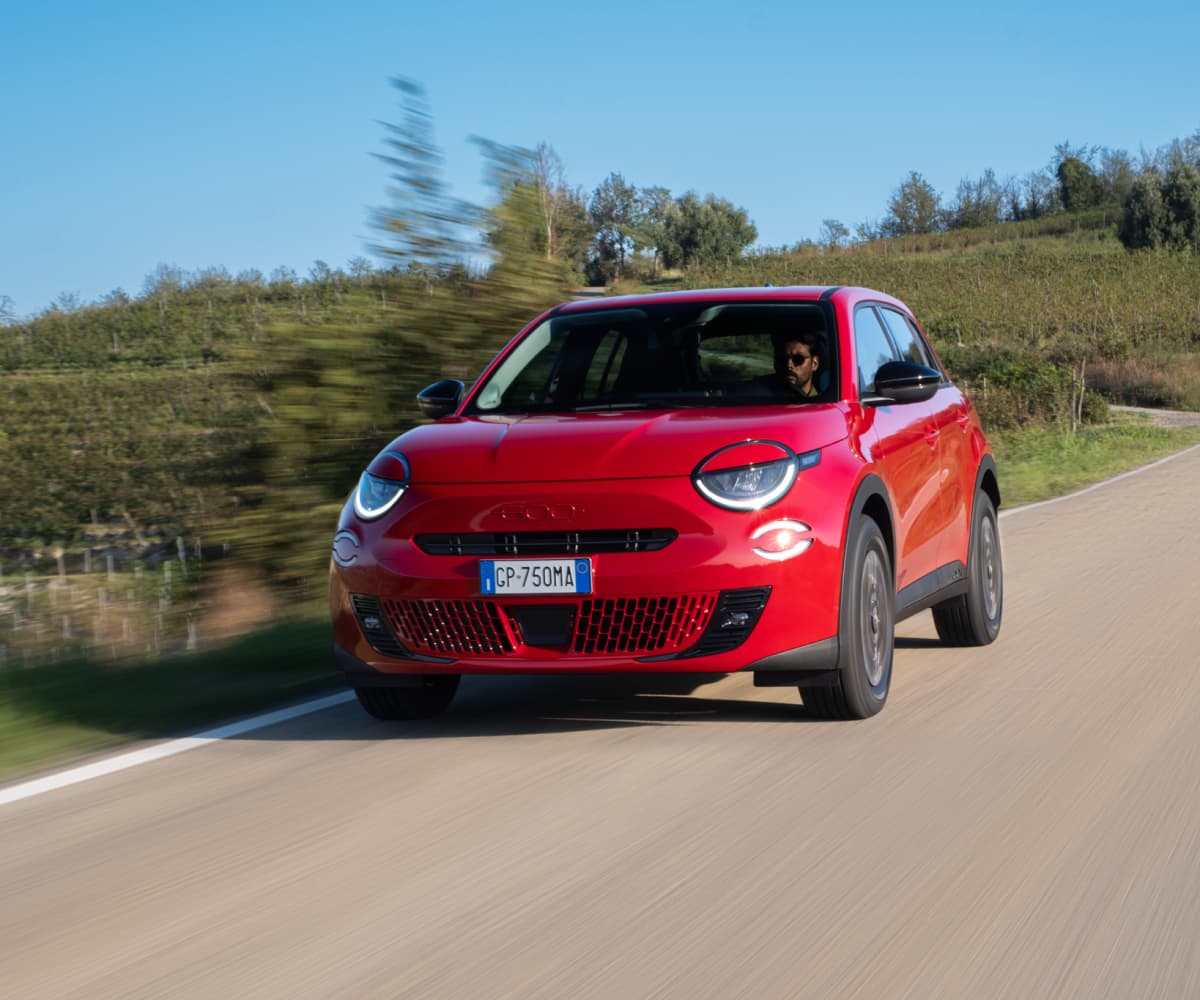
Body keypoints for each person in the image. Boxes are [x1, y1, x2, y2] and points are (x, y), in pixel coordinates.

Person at [780, 330, 824, 397]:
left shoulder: (819, 403)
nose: (788, 365)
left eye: (798, 359)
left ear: (814, 364)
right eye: (784, 358)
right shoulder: (770, 395)